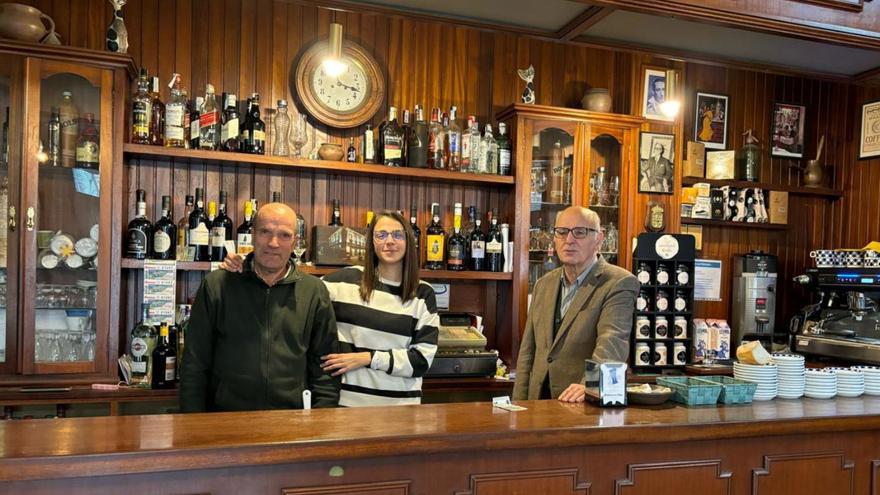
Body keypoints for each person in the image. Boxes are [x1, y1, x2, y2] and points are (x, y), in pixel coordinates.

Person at [222, 210, 439, 407]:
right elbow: (293, 285)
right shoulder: (343, 282)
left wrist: (367, 358)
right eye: (381, 235)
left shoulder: (422, 293)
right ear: (371, 241)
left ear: (409, 241)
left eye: (397, 235)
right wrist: (249, 264)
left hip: (401, 410)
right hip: (346, 407)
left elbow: (422, 360)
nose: (389, 241)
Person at [179, 203, 340, 412]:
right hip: (225, 419)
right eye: (266, 232)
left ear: (295, 242)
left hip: (292, 422)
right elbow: (194, 362)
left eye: (284, 235)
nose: (274, 243)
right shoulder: (217, 285)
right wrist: (193, 422)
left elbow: (325, 367)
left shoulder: (314, 291)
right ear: (252, 234)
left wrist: (321, 422)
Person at [512, 206, 638, 403]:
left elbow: (612, 342)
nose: (569, 240)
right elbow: (528, 352)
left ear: (599, 238)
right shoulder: (543, 284)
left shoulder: (619, 283)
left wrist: (590, 384)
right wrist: (518, 405)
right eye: (561, 232)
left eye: (580, 232)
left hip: (581, 407)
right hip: (537, 405)